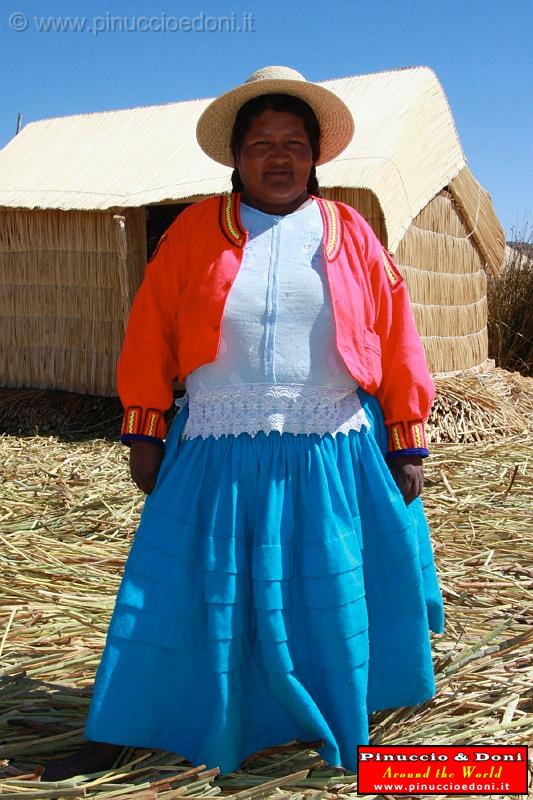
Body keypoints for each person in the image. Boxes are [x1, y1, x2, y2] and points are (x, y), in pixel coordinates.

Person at [40, 66, 444, 780]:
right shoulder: (194, 232)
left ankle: (330, 712)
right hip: (216, 446)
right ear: (236, 155)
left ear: (316, 156)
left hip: (329, 447)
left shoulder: (350, 232)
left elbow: (394, 333)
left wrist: (405, 435)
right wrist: (145, 426)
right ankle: (124, 722)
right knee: (171, 593)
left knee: (322, 587)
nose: (279, 157)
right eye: (261, 142)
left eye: (294, 142)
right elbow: (151, 331)